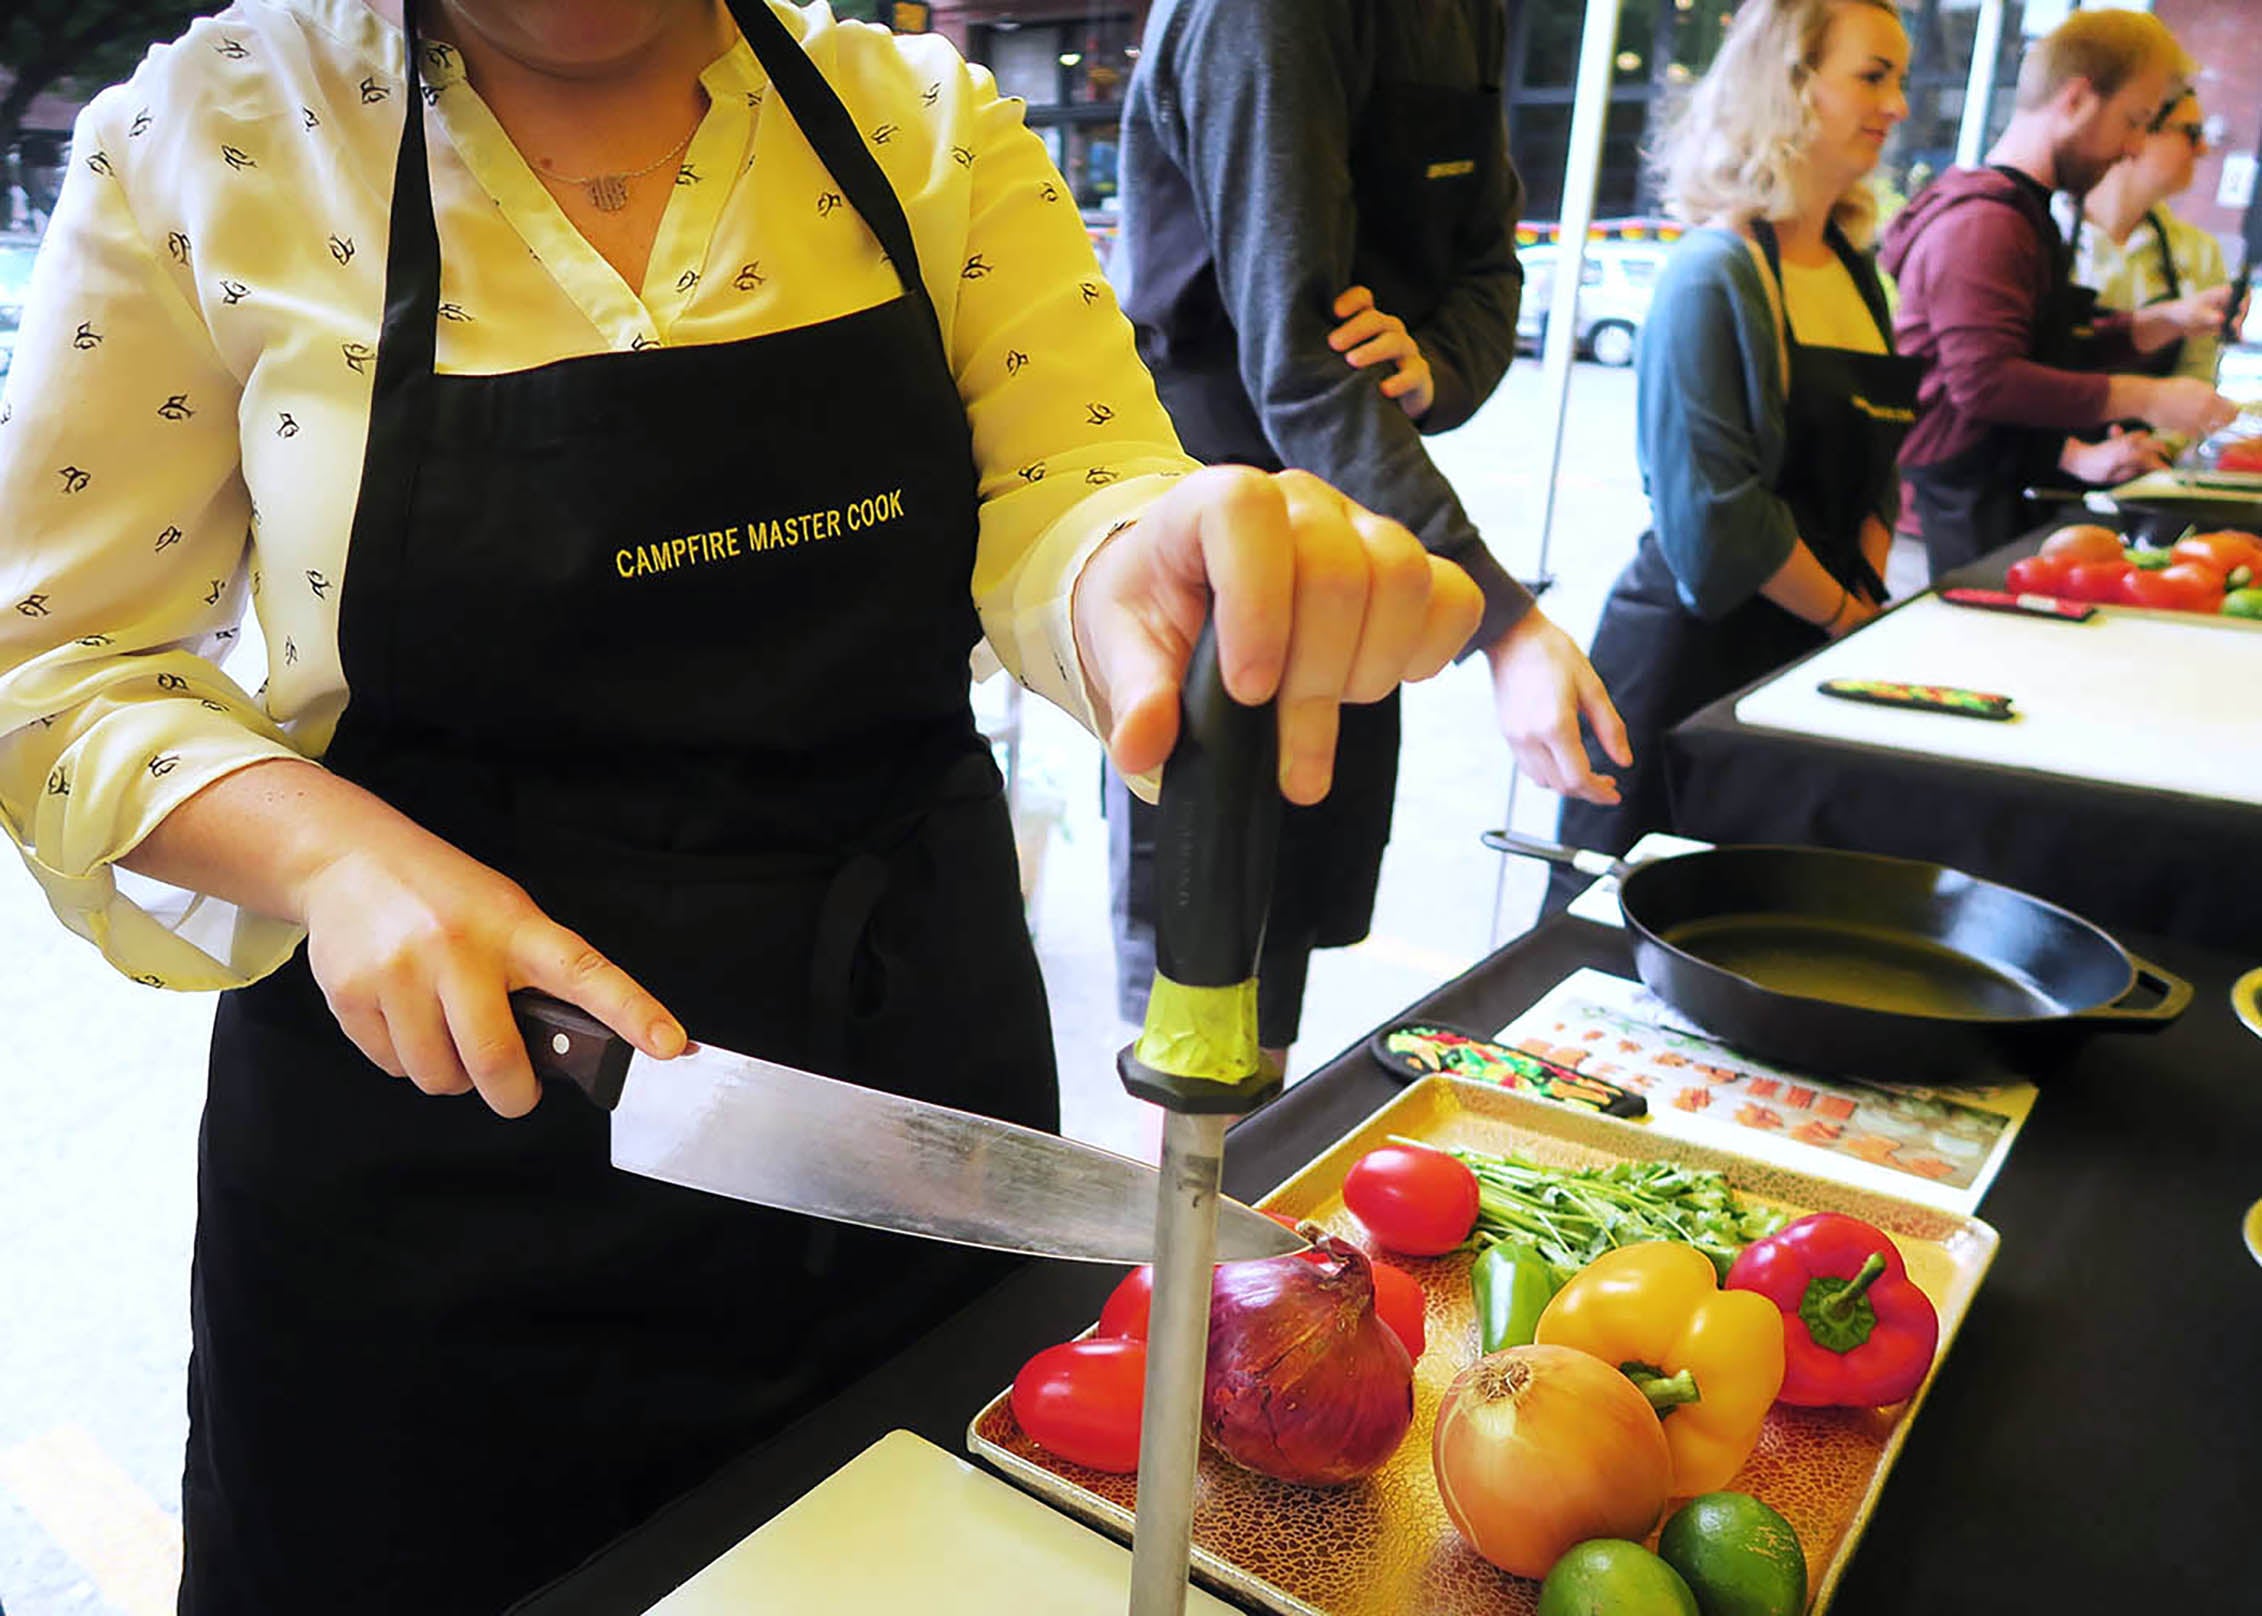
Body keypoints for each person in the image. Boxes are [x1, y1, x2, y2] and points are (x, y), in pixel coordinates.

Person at [0, 2, 1485, 1610]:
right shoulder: (207, 139)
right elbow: (54, 661)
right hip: (431, 1173)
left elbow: (1068, 492)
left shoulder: (919, 126)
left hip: (900, 1124)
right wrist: (334, 854)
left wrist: (1159, 571)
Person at [1108, 0, 1628, 1060]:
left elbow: (1491, 269)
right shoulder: (1265, 18)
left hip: (1362, 515)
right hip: (1212, 531)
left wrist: (1433, 358)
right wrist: (1506, 620)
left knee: (1282, 946)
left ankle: (1224, 1211)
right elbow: (1298, 363)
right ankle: (1179, 1222)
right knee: (1201, 989)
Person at [1550, 0, 1920, 895]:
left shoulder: (1856, 271)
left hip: (1805, 655)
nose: (1899, 105)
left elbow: (1881, 469)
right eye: (1873, 76)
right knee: (1615, 935)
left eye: (1901, 80)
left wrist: (1861, 601)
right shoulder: (1713, 272)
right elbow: (1716, 522)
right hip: (1687, 668)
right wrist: (1845, 619)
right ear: (1789, 86)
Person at [1880, 7, 2239, 579]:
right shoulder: (1987, 223)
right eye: (2133, 120)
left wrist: (2164, 321)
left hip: (1993, 499)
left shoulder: (2027, 215)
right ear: (2075, 99)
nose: (2131, 148)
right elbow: (1987, 381)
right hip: (1939, 526)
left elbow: (2050, 342)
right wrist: (2147, 398)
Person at [2058, 87, 2235, 388]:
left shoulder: (2200, 252)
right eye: (2191, 132)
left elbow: (2198, 376)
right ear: (2136, 134)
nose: (2204, 148)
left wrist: (2164, 438)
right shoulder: (2041, 232)